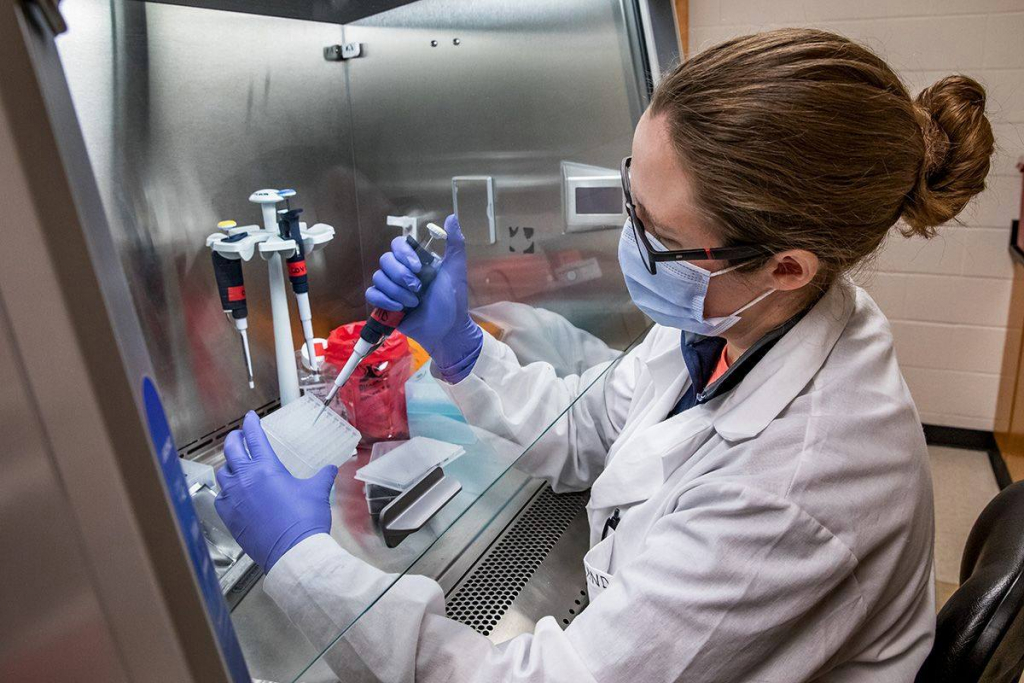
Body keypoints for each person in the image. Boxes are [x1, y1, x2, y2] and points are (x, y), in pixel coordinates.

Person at [215, 28, 995, 682]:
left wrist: (301, 559)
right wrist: (458, 350)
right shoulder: (740, 317)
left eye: (653, 232)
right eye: (630, 192)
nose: (628, 240)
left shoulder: (795, 488)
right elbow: (590, 429)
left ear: (788, 264)